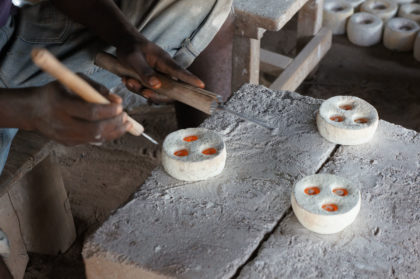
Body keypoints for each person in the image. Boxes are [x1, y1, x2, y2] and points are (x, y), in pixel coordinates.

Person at [0, 0, 233, 276]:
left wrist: (125, 36)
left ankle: (204, 172)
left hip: (15, 33)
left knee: (201, 6)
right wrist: (26, 110)